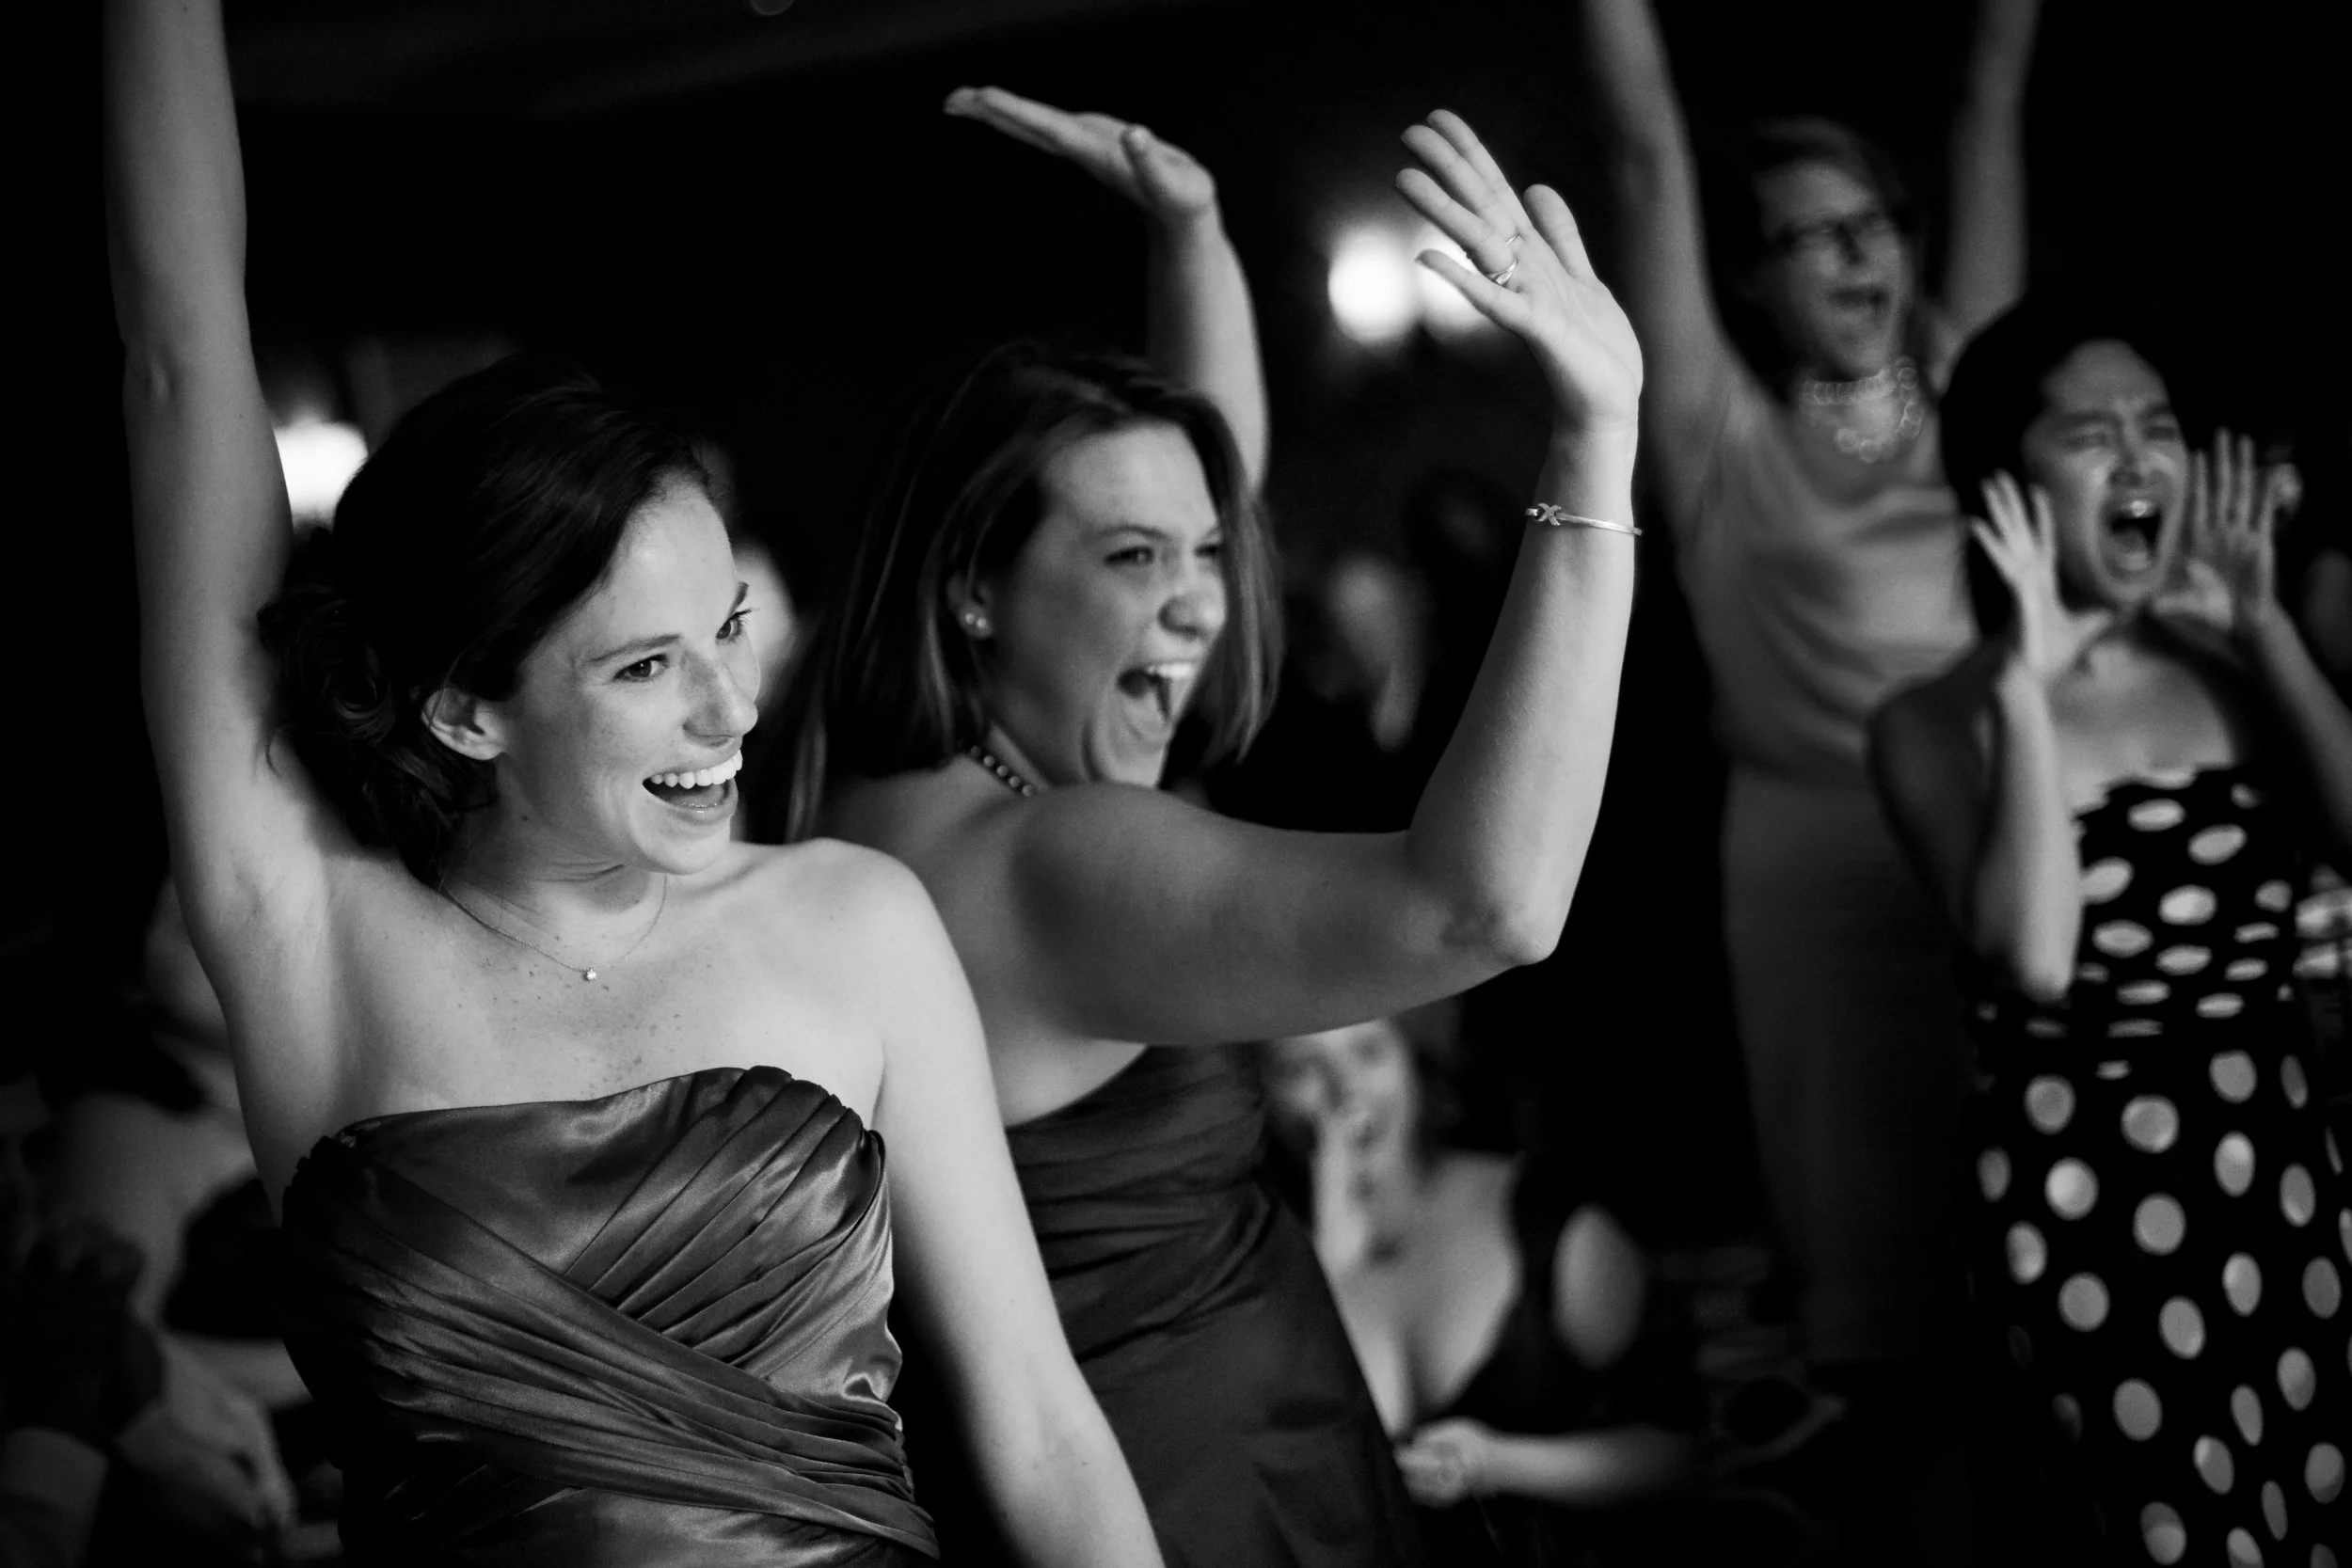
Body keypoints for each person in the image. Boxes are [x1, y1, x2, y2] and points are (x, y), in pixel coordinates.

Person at [102, 2, 1162, 1563]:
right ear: (467, 710)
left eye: (726, 626)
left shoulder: (854, 922)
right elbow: (183, 361)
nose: (733, 707)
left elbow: (1039, 1422)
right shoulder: (308, 933)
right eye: (645, 665)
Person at [774, 91, 1644, 1565]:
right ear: (971, 587)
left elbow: (1177, 507)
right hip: (1209, 1499)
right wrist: (1594, 444)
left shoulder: (870, 790)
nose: (1198, 600)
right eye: (1132, 558)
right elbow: (1488, 906)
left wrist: (1192, 238)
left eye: (1208, 557)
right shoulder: (1047, 863)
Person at [1573, 0, 2042, 1545]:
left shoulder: (1977, 384)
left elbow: (1989, 87)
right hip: (1815, 884)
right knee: (1885, 1306)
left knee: (2034, 1247)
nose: (1859, 259)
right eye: (1809, 236)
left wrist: (1990, 59)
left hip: (1993, 845)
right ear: (1751, 280)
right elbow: (1641, 155)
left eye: (1877, 224)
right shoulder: (1715, 434)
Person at [1870, 296, 2352, 1564]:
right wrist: (2026, 690)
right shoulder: (1932, 721)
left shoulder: (2233, 663)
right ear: (2002, 484)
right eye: (2094, 433)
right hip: (2086, 1206)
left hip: (2280, 1172)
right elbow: (2032, 955)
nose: (2141, 459)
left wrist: (2263, 624)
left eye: (2161, 428)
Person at [1263, 1011, 1692, 1566]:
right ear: (1258, 1094)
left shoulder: (1541, 1223)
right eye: (1302, 1068)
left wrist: (1498, 1463)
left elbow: (1683, 1458)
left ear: (1414, 1061)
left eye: (1369, 1052)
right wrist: (1331, 1272)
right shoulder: (1254, 1272)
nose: (1346, 1090)